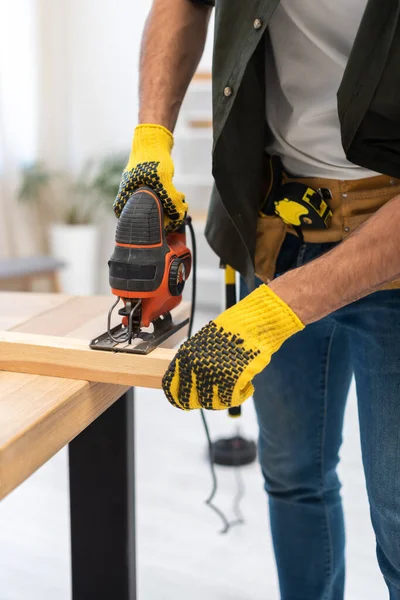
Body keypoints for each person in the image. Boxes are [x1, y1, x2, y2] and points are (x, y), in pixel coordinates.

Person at [115, 1, 400, 598]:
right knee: (293, 476)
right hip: (277, 224)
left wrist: (277, 310)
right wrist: (150, 140)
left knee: (397, 517)